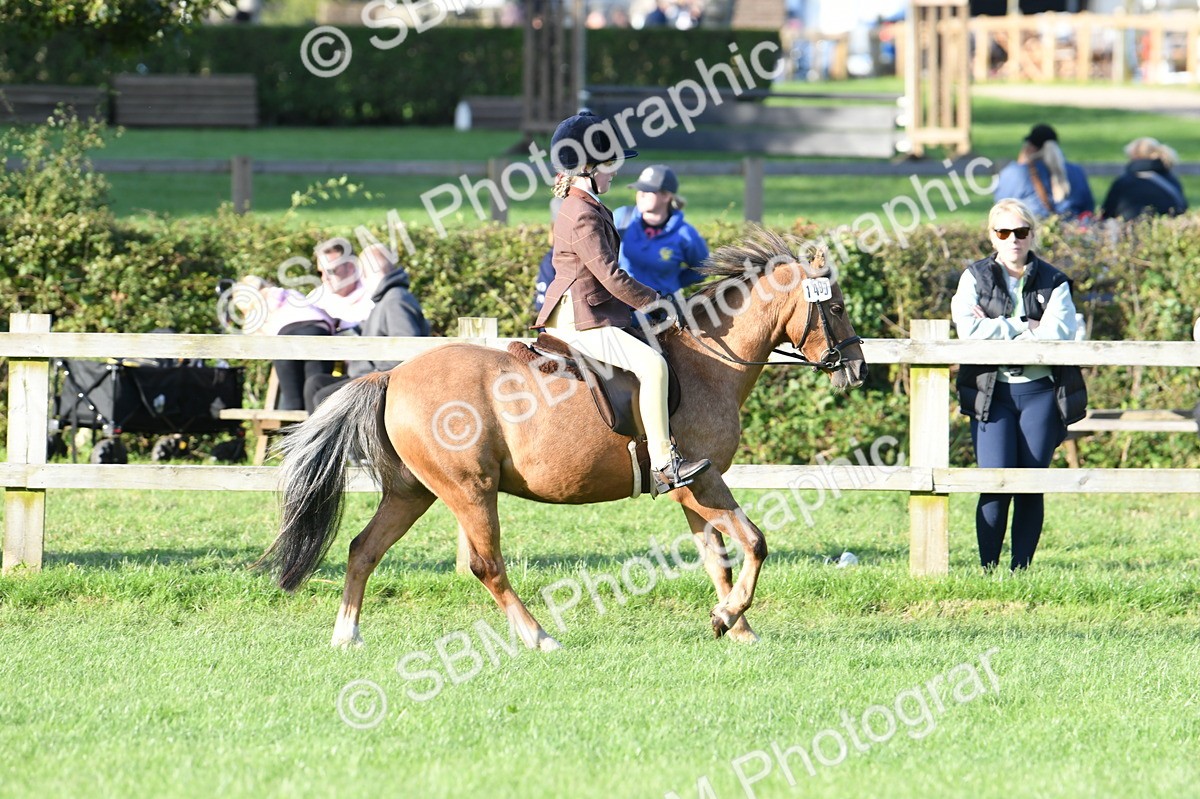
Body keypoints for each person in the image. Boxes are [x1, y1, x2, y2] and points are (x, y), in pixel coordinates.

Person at [533, 111, 710, 495]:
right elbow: (610, 275)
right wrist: (657, 301)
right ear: (586, 168)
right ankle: (665, 463)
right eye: (610, 164)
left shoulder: (587, 204)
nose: (615, 172)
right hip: (583, 319)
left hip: (594, 312)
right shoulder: (581, 212)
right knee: (653, 367)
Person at [951, 199, 1087, 571]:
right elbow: (968, 330)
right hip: (991, 394)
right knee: (995, 482)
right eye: (1004, 232)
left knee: (1030, 485)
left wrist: (999, 331)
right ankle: (989, 569)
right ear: (992, 236)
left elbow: (1060, 334)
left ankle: (1021, 570)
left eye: (1021, 232)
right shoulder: (973, 277)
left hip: (1040, 393)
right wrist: (1024, 326)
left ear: (1032, 235)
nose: (1013, 239)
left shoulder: (1054, 279)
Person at [303, 244, 431, 412]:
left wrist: (374, 371)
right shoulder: (384, 300)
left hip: (380, 381)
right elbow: (362, 331)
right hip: (366, 375)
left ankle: (333, 439)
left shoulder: (395, 301)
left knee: (324, 398)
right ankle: (314, 439)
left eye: (362, 275)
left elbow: (407, 353)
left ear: (369, 274)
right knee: (315, 384)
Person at [613, 164, 709, 296]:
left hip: (661, 311)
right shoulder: (621, 218)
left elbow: (703, 268)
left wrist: (670, 285)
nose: (641, 195)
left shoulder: (685, 234)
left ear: (666, 196)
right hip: (621, 309)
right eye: (639, 189)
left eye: (647, 191)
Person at [993, 123, 1094, 220]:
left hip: (1030, 232)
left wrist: (1021, 161)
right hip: (1071, 232)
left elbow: (1001, 207)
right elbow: (1088, 208)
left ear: (1030, 147)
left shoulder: (1015, 172)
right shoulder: (1076, 171)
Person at [1100, 137, 1188, 221]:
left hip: (1131, 233)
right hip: (1168, 232)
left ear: (1134, 156)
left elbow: (1107, 213)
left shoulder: (1124, 183)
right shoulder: (1171, 180)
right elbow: (1183, 208)